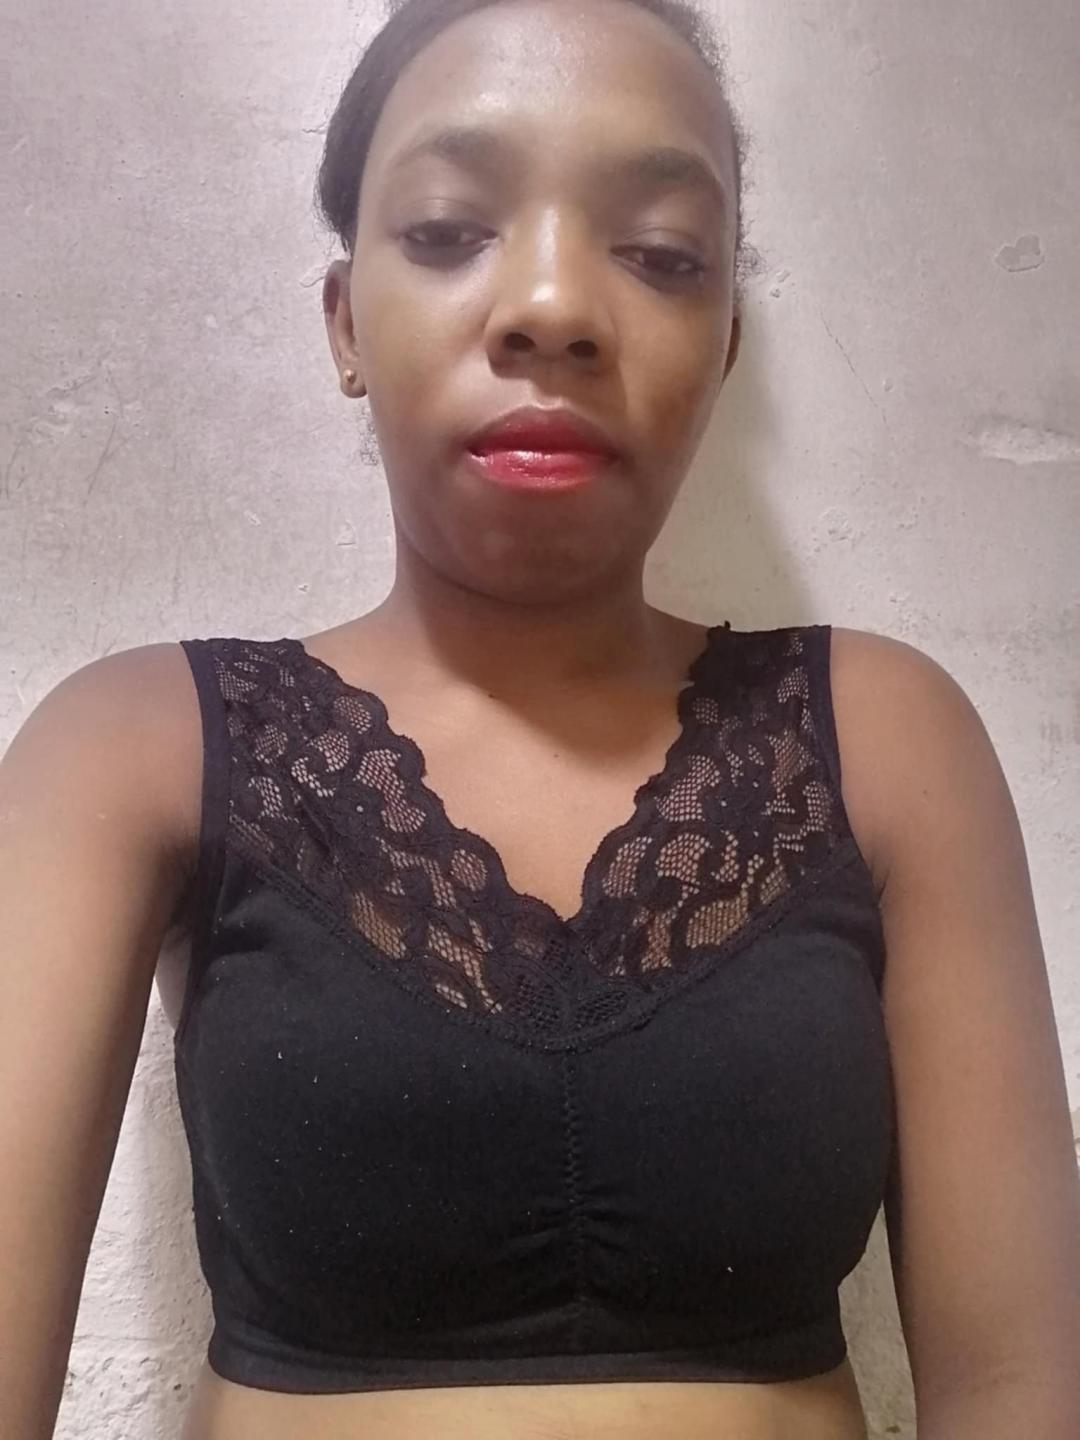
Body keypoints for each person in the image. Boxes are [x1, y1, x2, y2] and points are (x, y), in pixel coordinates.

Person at [2, 0, 1079, 1436]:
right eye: (451, 231)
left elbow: (1018, 1387)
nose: (556, 306)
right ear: (344, 323)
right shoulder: (133, 746)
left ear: (724, 343)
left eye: (661, 254)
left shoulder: (889, 741)